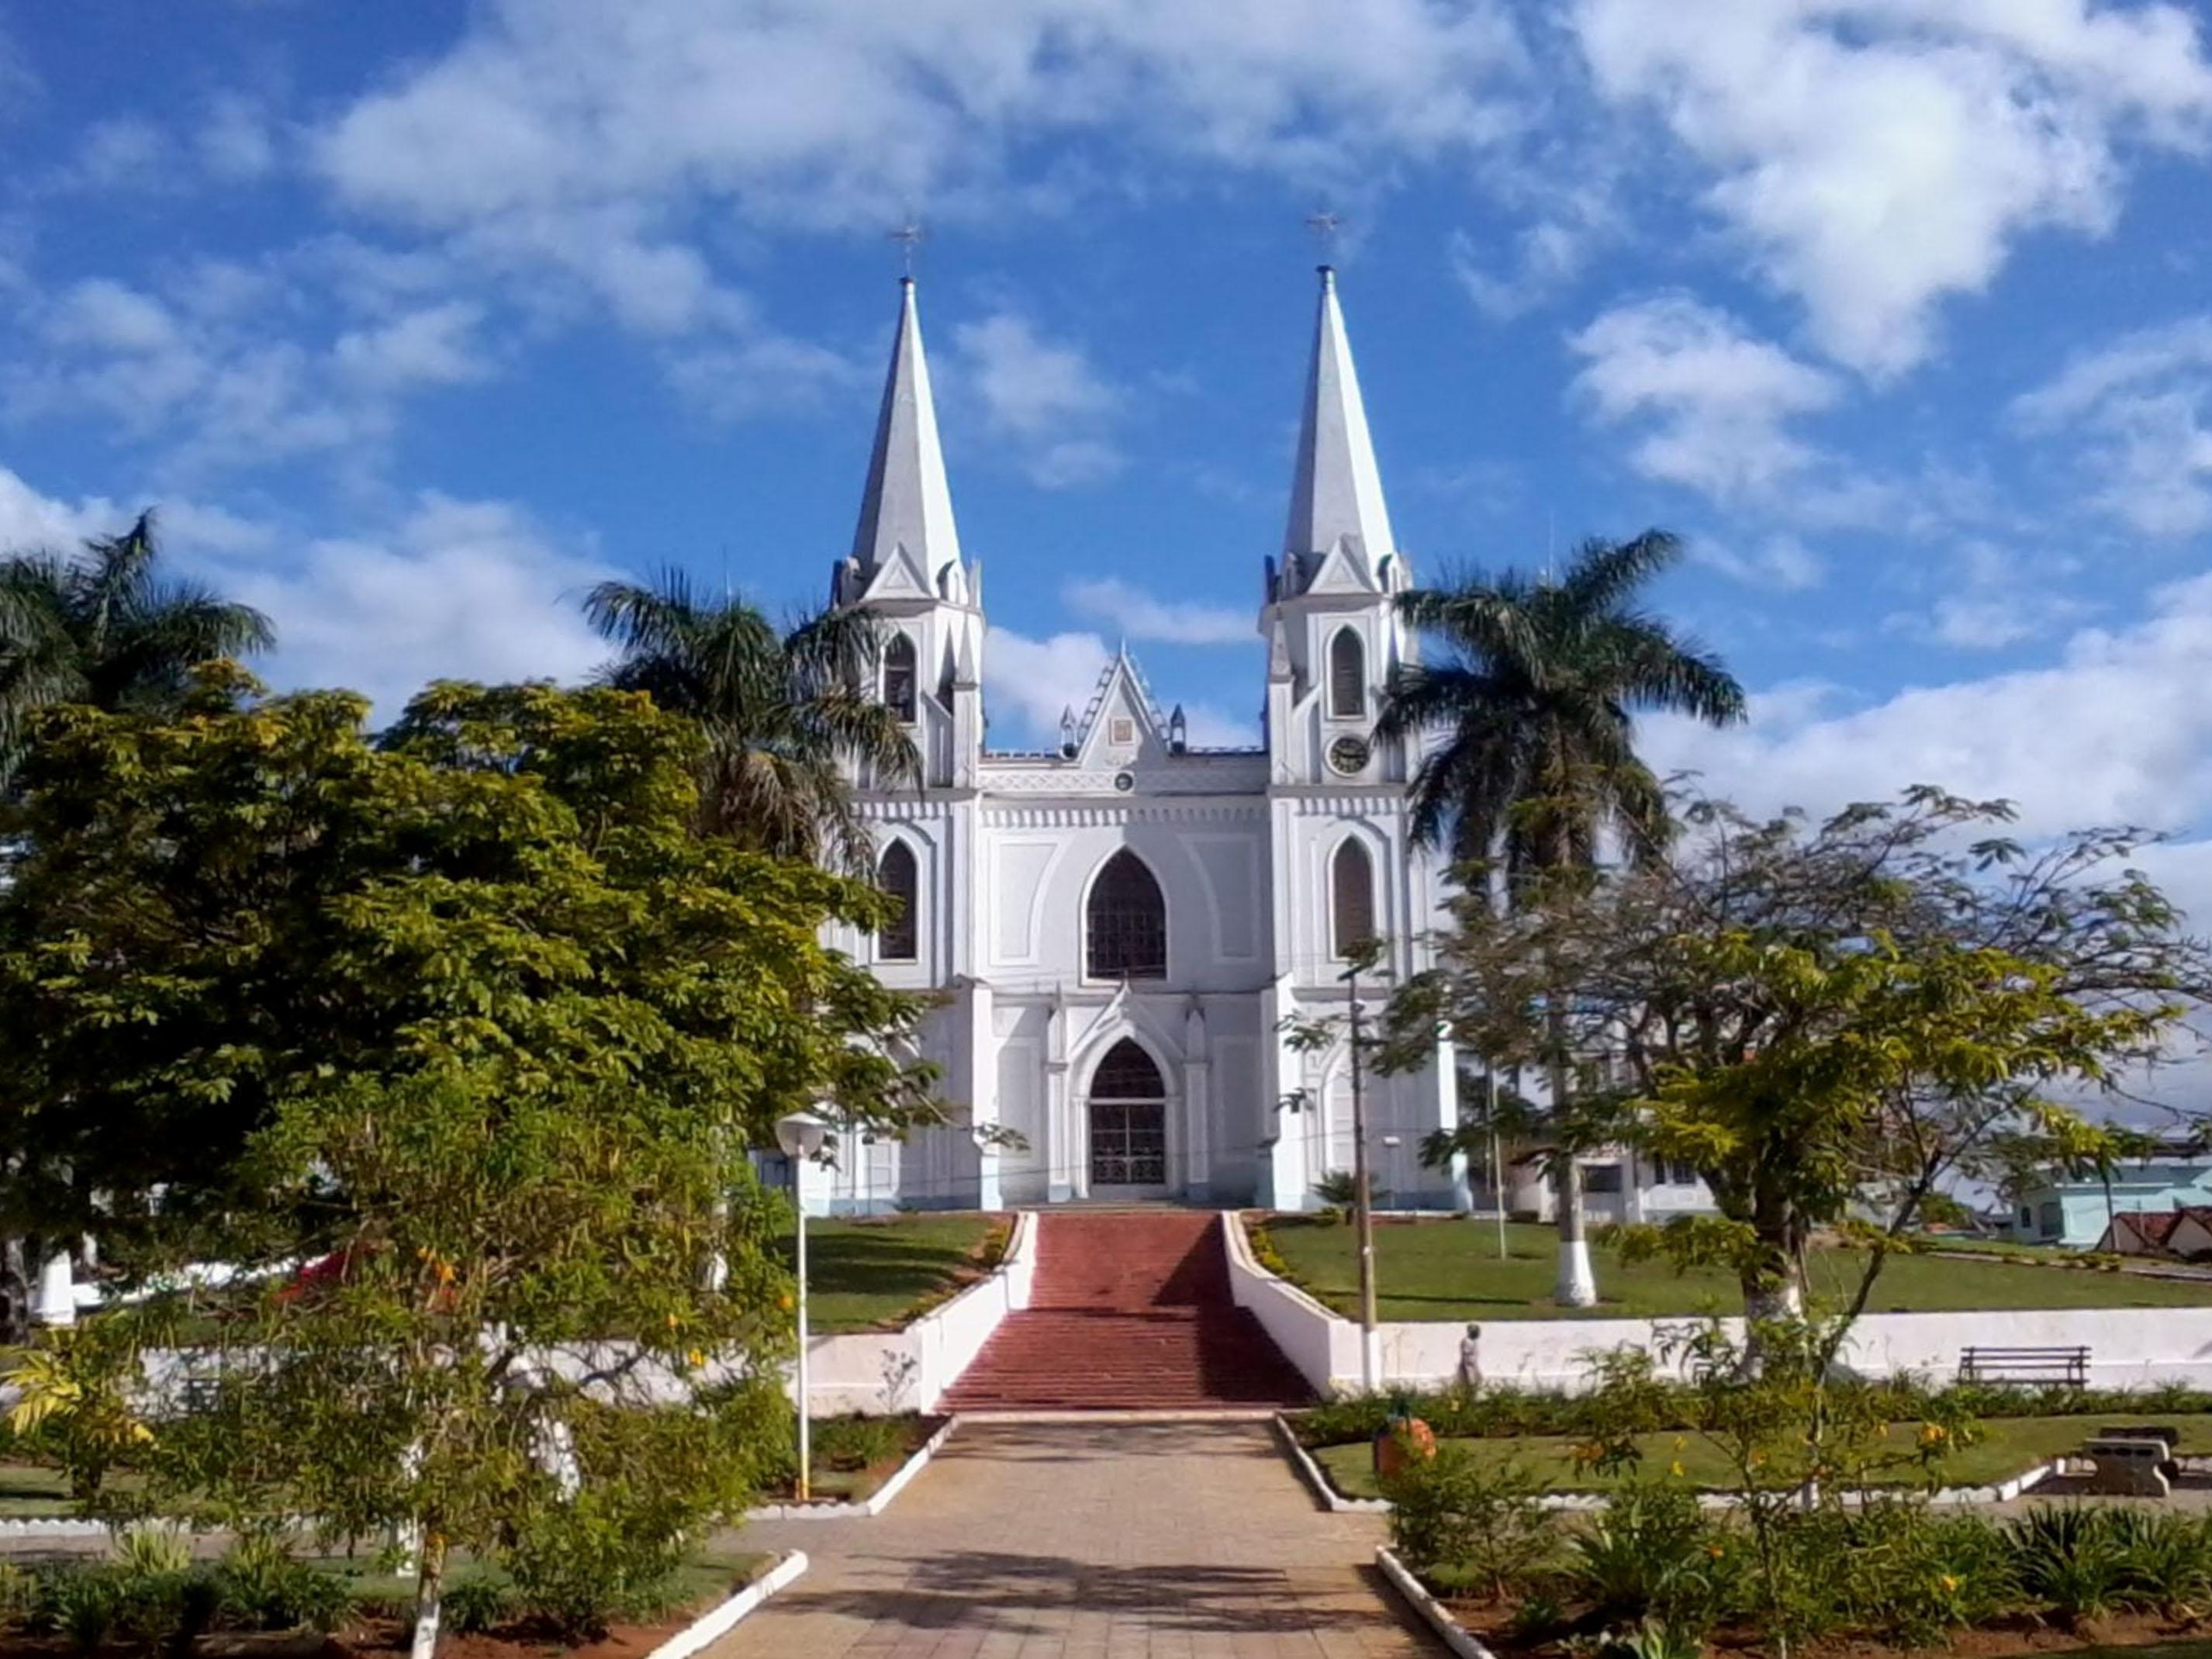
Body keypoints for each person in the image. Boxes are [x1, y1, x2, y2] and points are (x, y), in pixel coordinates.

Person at [1456, 1322, 1482, 1391]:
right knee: (1470, 1386)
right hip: (1469, 1368)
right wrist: (1470, 1374)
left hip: (1473, 1366)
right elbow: (1467, 1359)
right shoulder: (1467, 1342)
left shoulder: (1473, 1342)